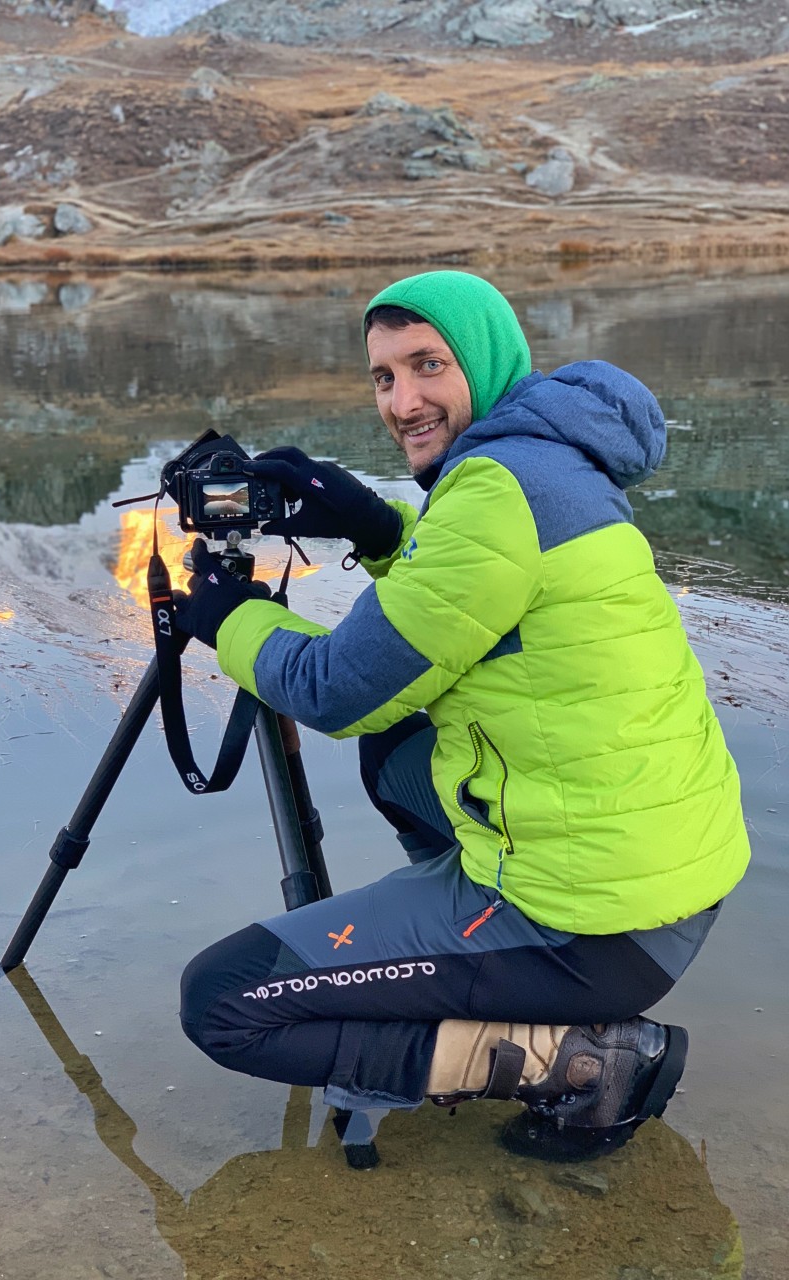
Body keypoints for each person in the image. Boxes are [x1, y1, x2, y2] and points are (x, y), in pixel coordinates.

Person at [171, 270, 751, 1159]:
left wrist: (223, 616)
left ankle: (586, 1062)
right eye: (383, 377)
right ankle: (477, 990)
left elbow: (335, 687)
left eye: (427, 365)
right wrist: (374, 527)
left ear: (482, 360)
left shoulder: (495, 493)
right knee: (399, 751)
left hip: (592, 926)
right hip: (663, 877)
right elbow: (473, 618)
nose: (403, 400)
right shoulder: (544, 461)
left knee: (224, 1001)